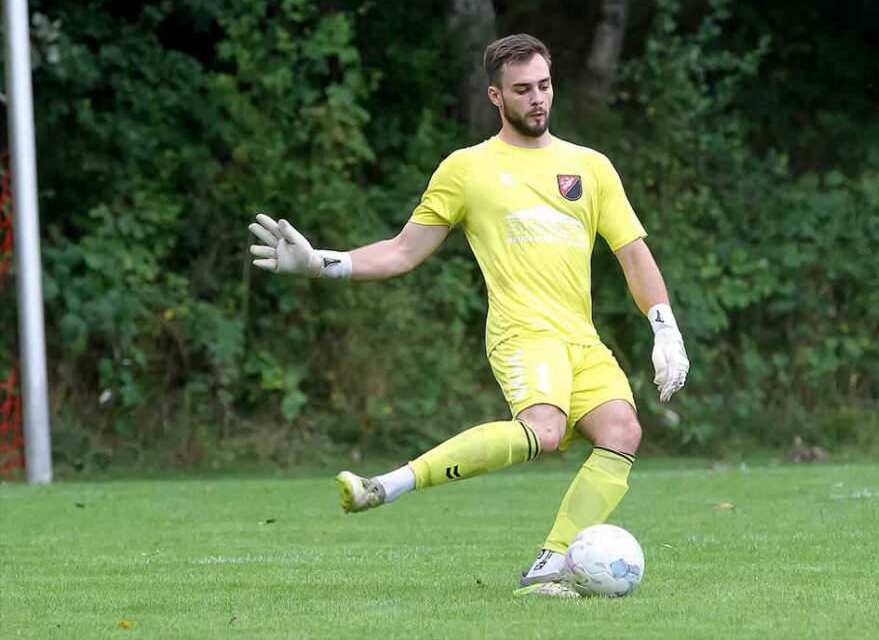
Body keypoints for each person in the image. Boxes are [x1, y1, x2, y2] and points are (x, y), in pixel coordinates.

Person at [248, 33, 689, 598]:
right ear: (495, 97)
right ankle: (388, 485)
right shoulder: (467, 169)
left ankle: (551, 564)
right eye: (522, 89)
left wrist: (665, 328)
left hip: (582, 339)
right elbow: (403, 251)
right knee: (546, 431)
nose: (537, 99)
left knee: (623, 431)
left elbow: (632, 254)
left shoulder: (591, 167)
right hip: (522, 333)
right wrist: (322, 264)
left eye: (545, 86)